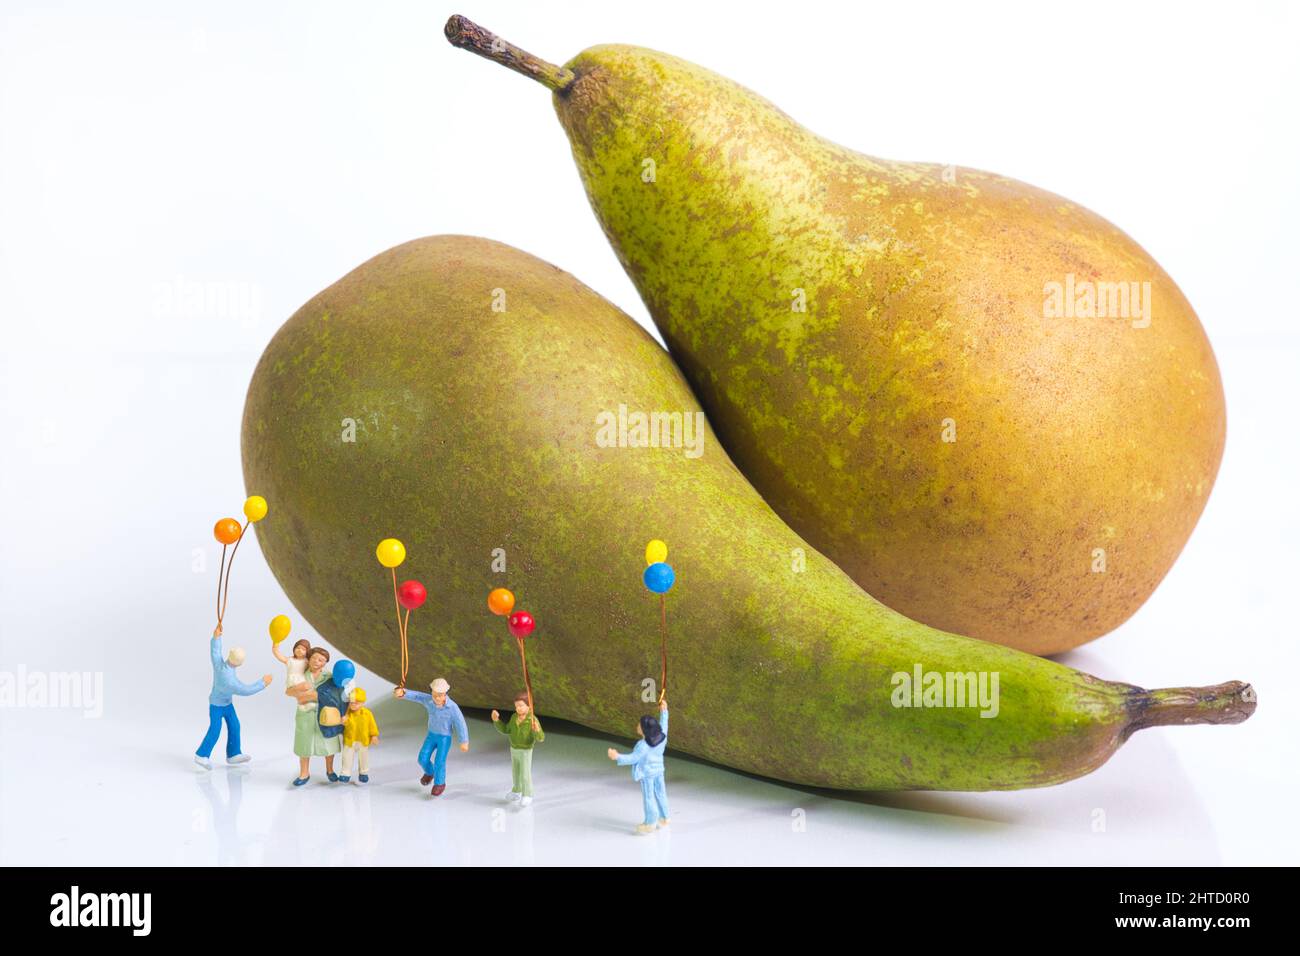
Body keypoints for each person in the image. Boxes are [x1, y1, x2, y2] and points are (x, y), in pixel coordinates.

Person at [195, 624, 272, 769]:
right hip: (217, 706)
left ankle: (234, 754)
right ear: (240, 663)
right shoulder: (230, 681)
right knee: (215, 729)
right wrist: (263, 683)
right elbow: (246, 690)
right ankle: (201, 755)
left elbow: (215, 652)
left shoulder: (220, 664)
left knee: (235, 725)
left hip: (227, 704)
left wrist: (216, 637)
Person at [395, 677, 469, 796]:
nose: (437, 698)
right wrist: (403, 693)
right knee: (422, 757)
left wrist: (464, 741)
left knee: (440, 761)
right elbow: (417, 696)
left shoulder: (452, 707)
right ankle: (430, 772)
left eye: (440, 695)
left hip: (444, 738)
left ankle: (440, 783)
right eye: (434, 695)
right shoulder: (429, 700)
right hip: (431, 735)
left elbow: (460, 723)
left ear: (445, 694)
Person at [607, 699, 670, 834]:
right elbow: (664, 725)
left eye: (639, 725)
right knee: (661, 793)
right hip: (659, 771)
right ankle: (665, 817)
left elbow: (633, 758)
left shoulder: (643, 746)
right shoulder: (662, 737)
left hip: (647, 774)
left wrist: (617, 756)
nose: (637, 726)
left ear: (645, 730)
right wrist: (664, 711)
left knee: (648, 797)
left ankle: (650, 823)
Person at [287, 647, 343, 786]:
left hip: (326, 716)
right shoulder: (300, 676)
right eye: (314, 658)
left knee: (328, 744)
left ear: (325, 663)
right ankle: (304, 773)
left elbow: (336, 695)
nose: (317, 662)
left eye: (321, 660)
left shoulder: (329, 677)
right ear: (309, 659)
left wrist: (313, 696)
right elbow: (288, 691)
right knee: (304, 746)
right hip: (305, 715)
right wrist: (298, 691)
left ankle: (330, 770)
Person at [491, 692, 544, 806]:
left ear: (529, 706)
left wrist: (537, 729)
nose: (518, 708)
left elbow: (540, 738)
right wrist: (497, 721)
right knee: (516, 772)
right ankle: (517, 791)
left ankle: (527, 794)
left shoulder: (532, 720)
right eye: (516, 706)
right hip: (514, 749)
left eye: (521, 705)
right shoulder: (514, 717)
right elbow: (506, 730)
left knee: (525, 773)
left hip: (526, 750)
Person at [339, 687, 379, 784]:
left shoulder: (367, 714)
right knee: (346, 757)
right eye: (351, 703)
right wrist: (343, 720)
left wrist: (374, 735)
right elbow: (345, 723)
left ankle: (363, 773)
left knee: (364, 757)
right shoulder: (348, 714)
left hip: (363, 740)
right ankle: (345, 773)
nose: (353, 705)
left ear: (362, 703)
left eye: (356, 703)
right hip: (350, 740)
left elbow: (372, 725)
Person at [273, 637, 312, 703]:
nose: (300, 650)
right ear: (294, 649)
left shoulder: (306, 661)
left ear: (307, 651)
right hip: (291, 683)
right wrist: (275, 646)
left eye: (303, 649)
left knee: (305, 698)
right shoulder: (290, 660)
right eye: (298, 648)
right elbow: (278, 655)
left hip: (302, 682)